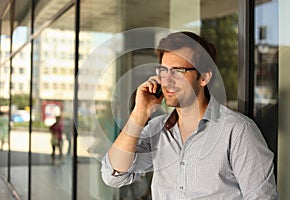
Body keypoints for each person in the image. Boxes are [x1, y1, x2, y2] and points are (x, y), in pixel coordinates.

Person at [101, 31, 278, 199]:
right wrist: (139, 114)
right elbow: (114, 175)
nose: (167, 81)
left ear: (203, 78)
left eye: (177, 71)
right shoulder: (157, 130)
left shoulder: (238, 131)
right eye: (162, 71)